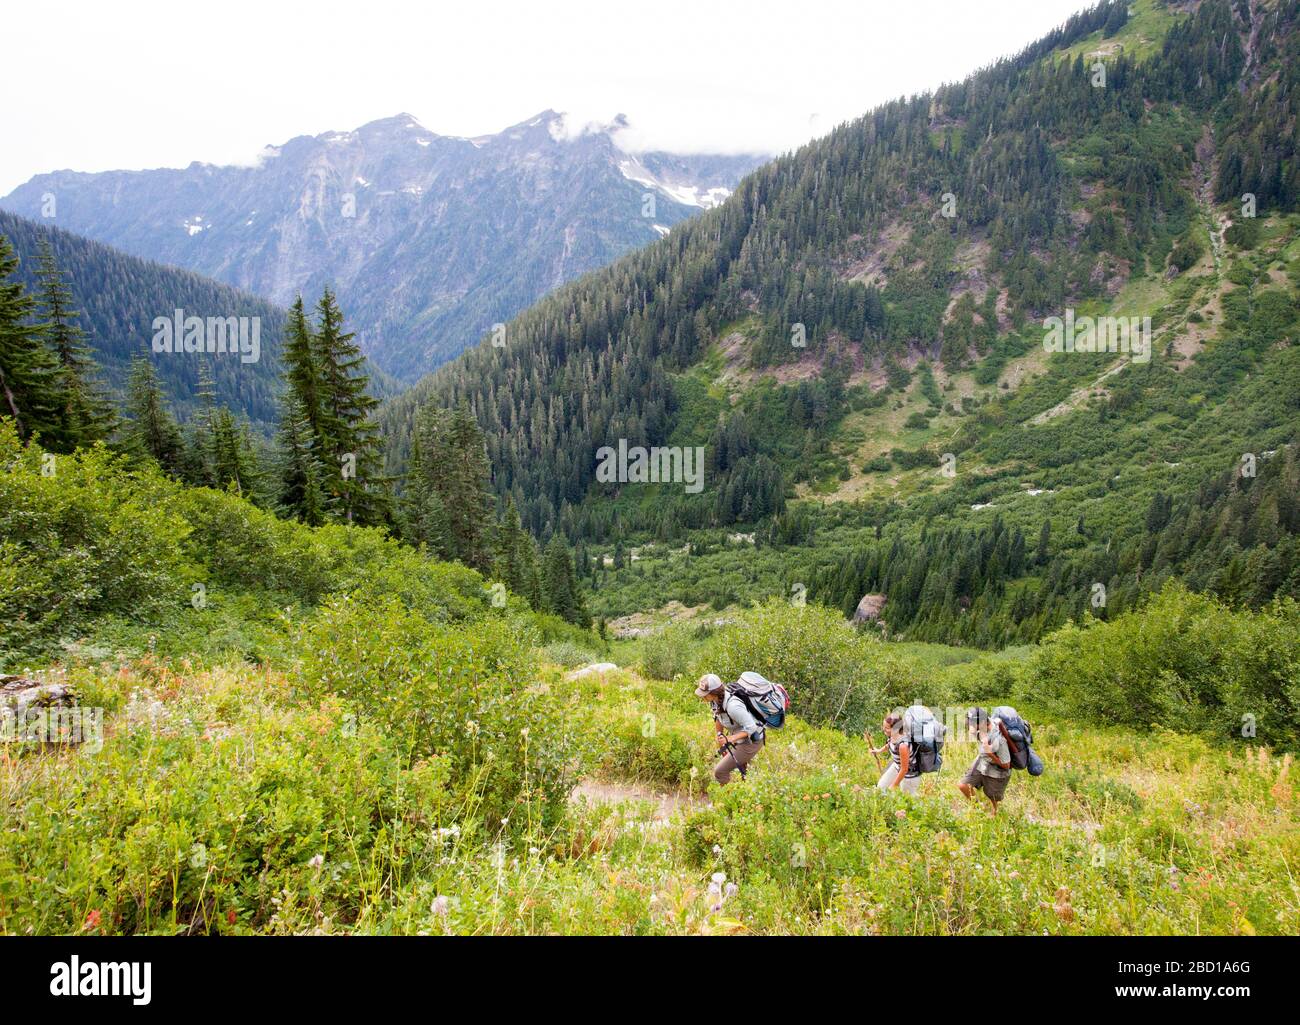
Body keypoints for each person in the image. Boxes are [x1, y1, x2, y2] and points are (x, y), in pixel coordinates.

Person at [695, 673, 764, 785]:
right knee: (742, 770)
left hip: (752, 741)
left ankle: (726, 800)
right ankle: (745, 793)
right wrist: (720, 736)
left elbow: (752, 727)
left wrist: (730, 739)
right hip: (739, 738)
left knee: (720, 771)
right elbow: (718, 717)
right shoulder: (714, 701)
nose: (702, 697)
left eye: (705, 694)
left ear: (714, 693)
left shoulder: (733, 706)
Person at [957, 707, 1011, 813]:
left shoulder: (999, 739)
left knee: (993, 798)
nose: (970, 726)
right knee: (963, 785)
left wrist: (990, 754)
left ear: (982, 722)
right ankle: (979, 809)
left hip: (996, 768)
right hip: (982, 760)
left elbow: (1006, 765)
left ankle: (995, 813)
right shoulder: (984, 723)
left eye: (972, 723)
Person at [871, 713, 920, 794]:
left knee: (907, 800)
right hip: (897, 766)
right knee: (881, 788)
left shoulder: (903, 746)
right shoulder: (893, 736)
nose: (883, 729)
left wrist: (894, 785)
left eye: (886, 728)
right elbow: (889, 745)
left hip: (910, 774)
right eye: (883, 726)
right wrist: (879, 751)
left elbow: (904, 769)